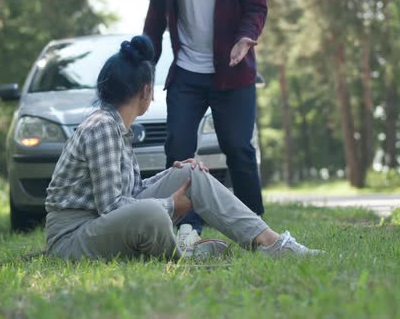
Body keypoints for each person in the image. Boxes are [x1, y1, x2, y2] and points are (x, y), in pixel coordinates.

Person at [44, 35, 321, 261]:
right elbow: (111, 207)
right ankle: (188, 256)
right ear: (145, 91)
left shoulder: (117, 126)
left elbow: (130, 192)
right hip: (74, 237)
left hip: (100, 224)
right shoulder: (102, 127)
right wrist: (169, 204)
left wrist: (173, 176)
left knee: (190, 172)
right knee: (152, 214)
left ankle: (270, 242)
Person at [143, 0, 268, 245]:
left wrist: (246, 36)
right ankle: (186, 226)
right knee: (179, 147)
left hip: (234, 69)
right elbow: (154, 21)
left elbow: (256, 6)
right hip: (186, 72)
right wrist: (147, 70)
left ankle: (255, 226)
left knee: (238, 147)